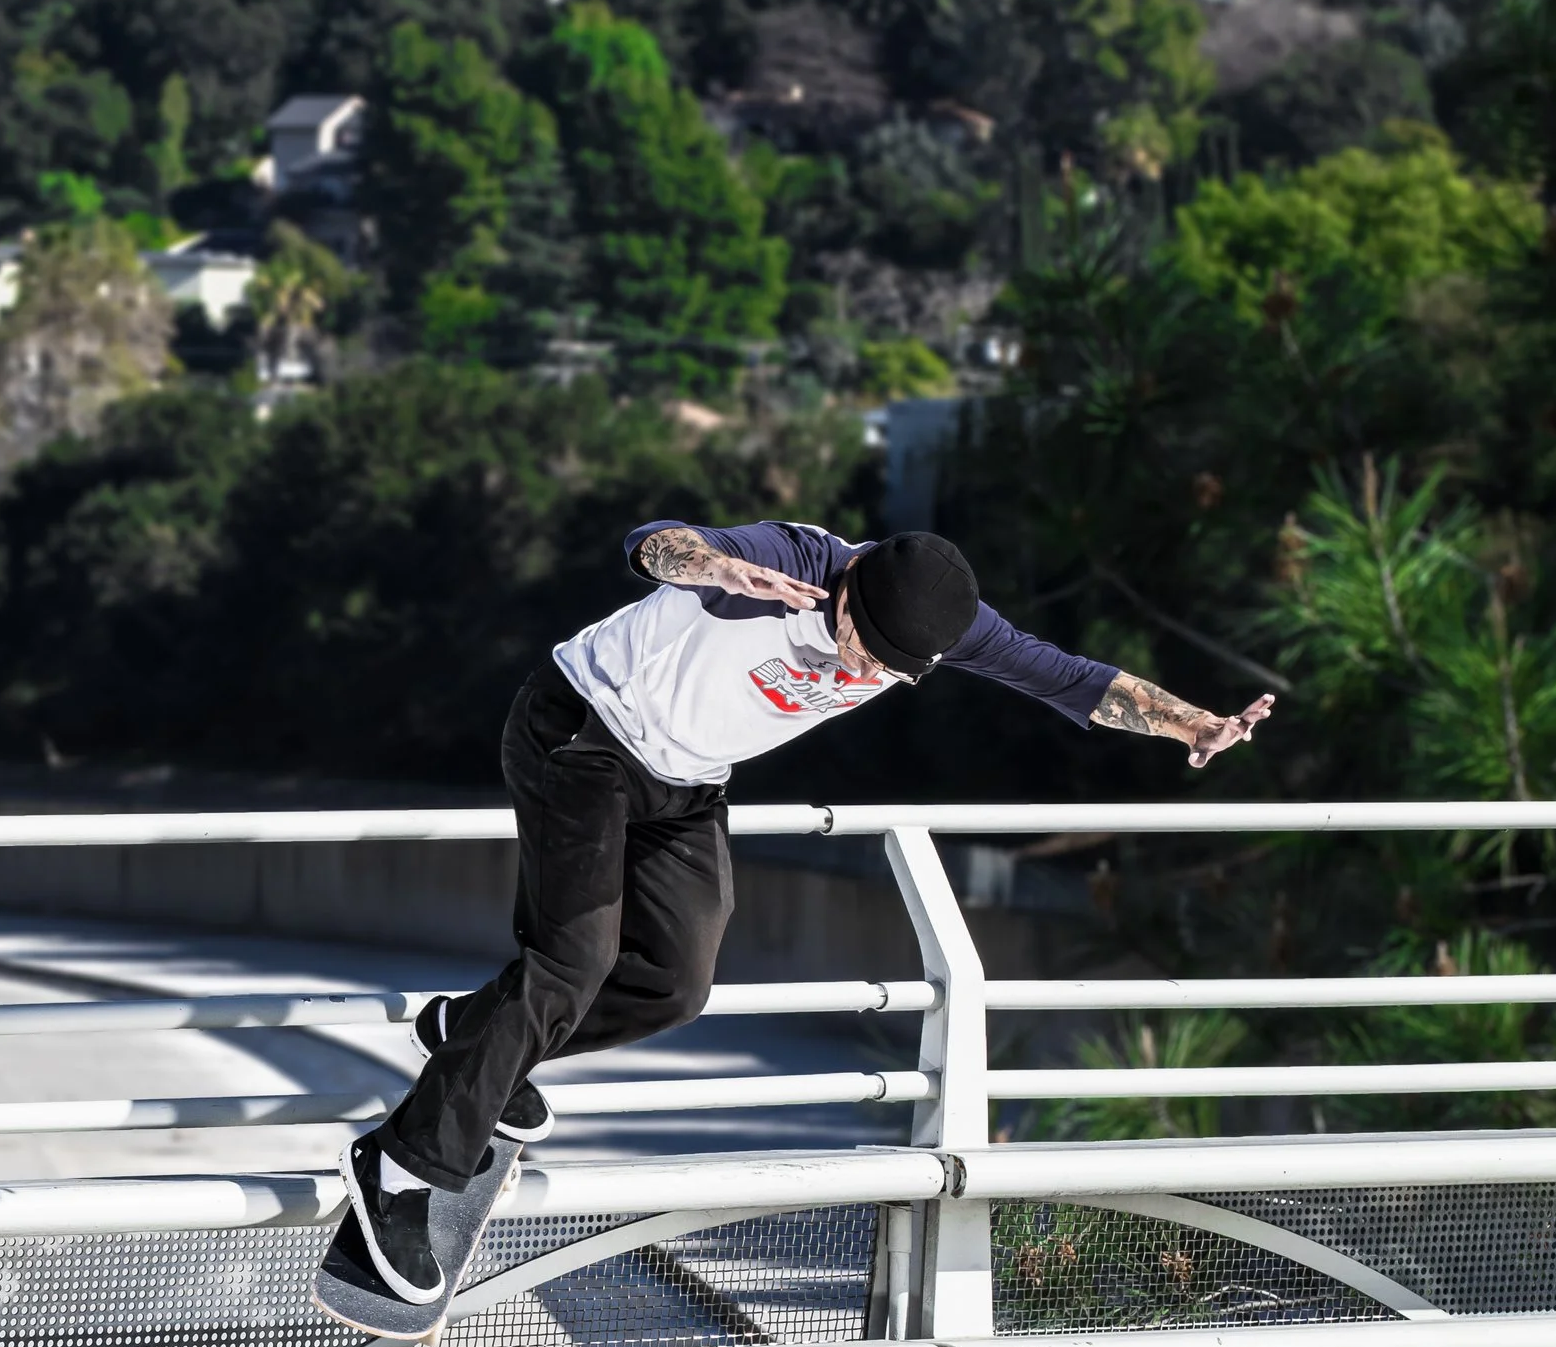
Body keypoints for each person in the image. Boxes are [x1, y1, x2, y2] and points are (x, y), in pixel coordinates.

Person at [339, 518, 1274, 1303]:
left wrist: (1192, 724)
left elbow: (1070, 678)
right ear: (852, 582)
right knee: (571, 962)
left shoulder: (950, 627)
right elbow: (652, 544)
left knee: (674, 985)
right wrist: (713, 564)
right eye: (865, 644)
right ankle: (407, 1164)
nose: (866, 667)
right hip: (581, 731)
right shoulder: (790, 557)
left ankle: (473, 1034)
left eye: (894, 667)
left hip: (685, 781)